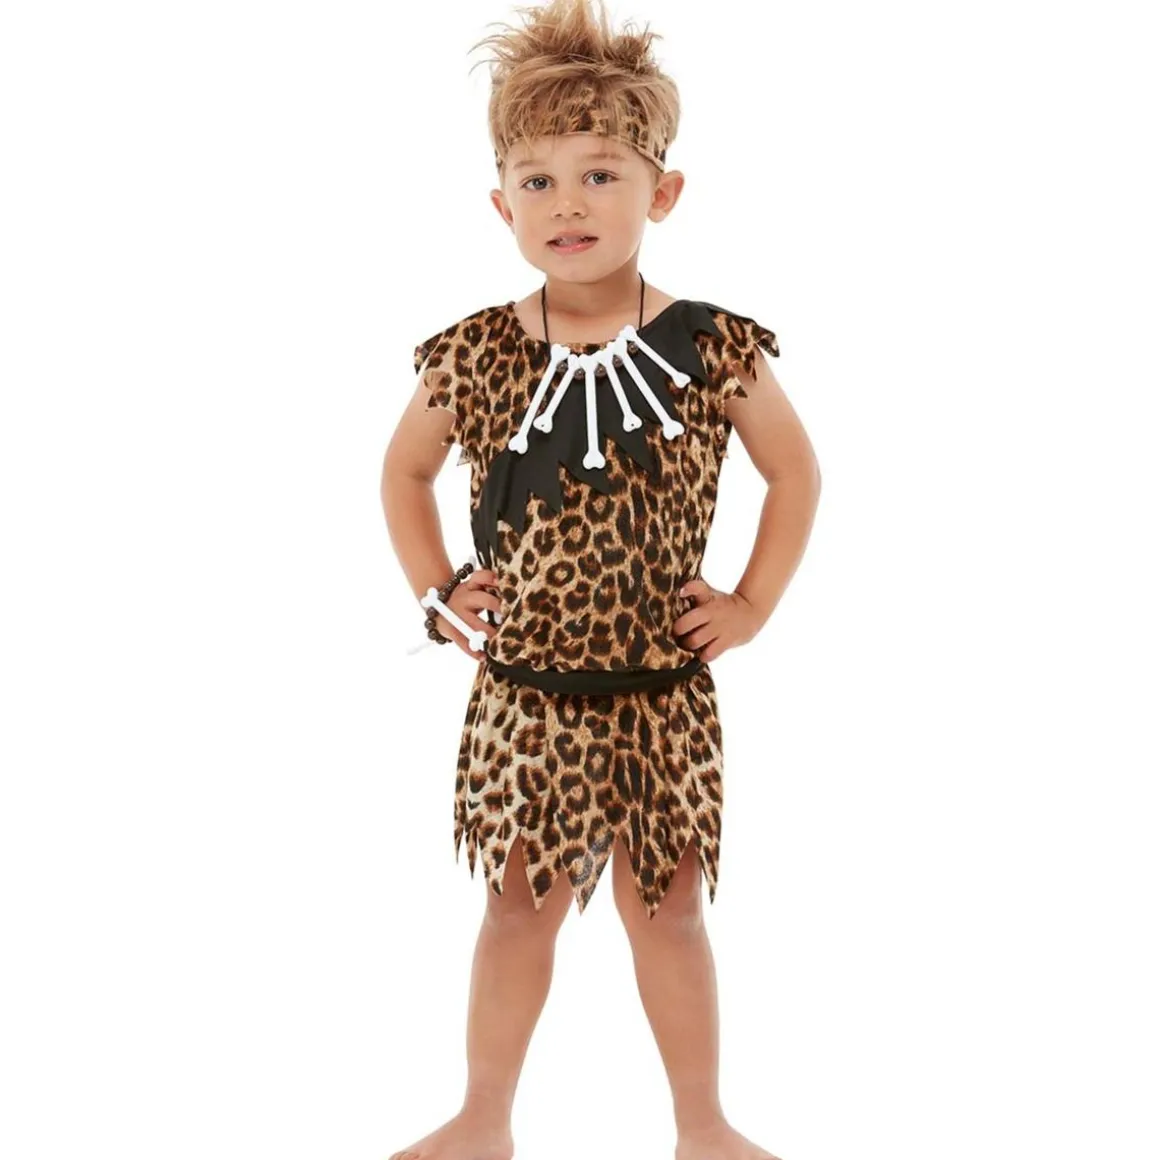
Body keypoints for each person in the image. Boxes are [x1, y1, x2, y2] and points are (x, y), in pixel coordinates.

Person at [379, 1, 820, 1157]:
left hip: (659, 696)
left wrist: (750, 603)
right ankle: (482, 1116)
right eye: (536, 181)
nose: (566, 204)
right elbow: (403, 471)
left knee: (665, 911)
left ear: (659, 192)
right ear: (500, 203)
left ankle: (702, 1125)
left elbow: (793, 470)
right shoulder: (474, 351)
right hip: (523, 694)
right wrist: (437, 590)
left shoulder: (711, 347)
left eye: (598, 174)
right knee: (513, 908)